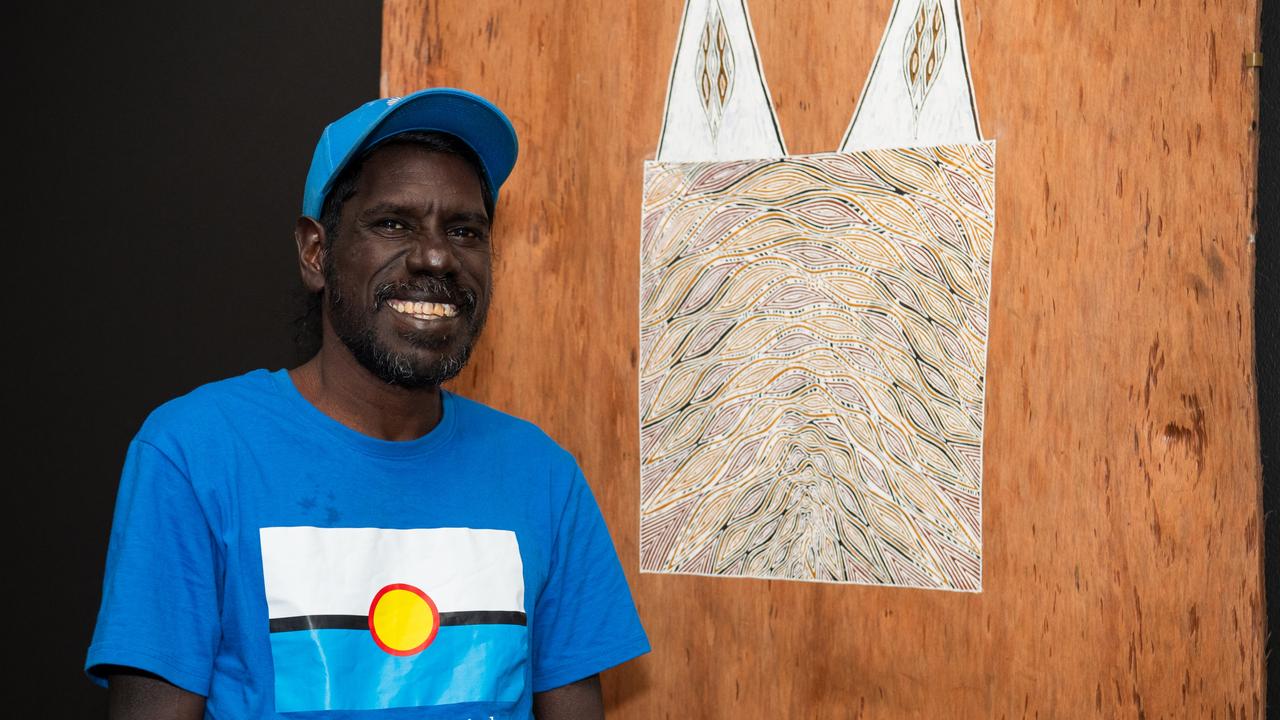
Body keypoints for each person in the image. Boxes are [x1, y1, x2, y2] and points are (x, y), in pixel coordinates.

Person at [85, 88, 649, 719]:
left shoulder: (544, 478)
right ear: (316, 252)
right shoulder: (196, 453)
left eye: (465, 230)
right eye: (393, 224)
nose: (437, 256)